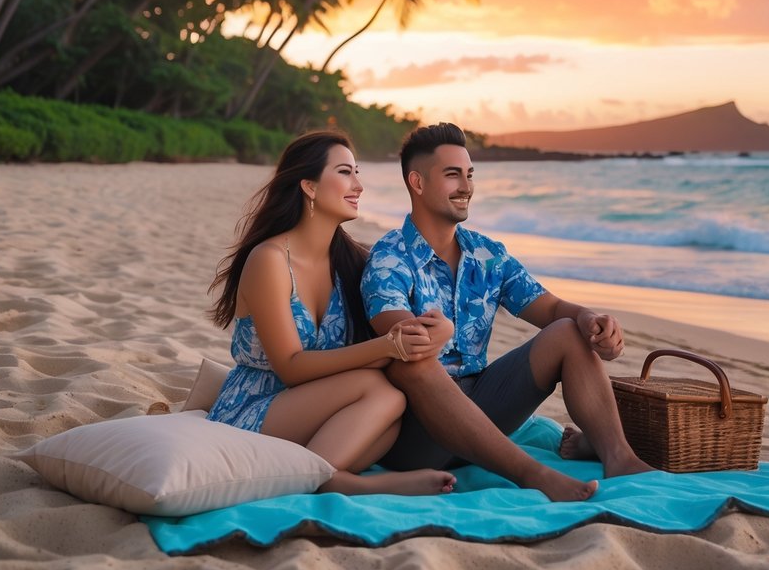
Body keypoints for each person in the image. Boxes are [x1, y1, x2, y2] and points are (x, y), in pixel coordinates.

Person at [361, 123, 652, 502]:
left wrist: (589, 319)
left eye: (469, 175)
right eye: (452, 175)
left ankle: (619, 457)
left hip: (483, 407)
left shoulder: (487, 254)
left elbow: (549, 307)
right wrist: (438, 332)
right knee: (412, 359)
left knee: (567, 330)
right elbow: (398, 336)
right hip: (417, 432)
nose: (466, 186)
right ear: (417, 183)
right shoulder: (389, 257)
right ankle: (533, 474)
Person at [206, 130, 456, 496]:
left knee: (392, 403)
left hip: (320, 407)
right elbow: (290, 366)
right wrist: (387, 346)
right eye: (345, 172)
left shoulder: (353, 261)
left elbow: (414, 301)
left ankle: (321, 471)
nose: (358, 185)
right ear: (308, 186)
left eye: (357, 172)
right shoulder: (271, 260)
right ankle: (330, 479)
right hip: (255, 407)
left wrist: (441, 326)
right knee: (380, 392)